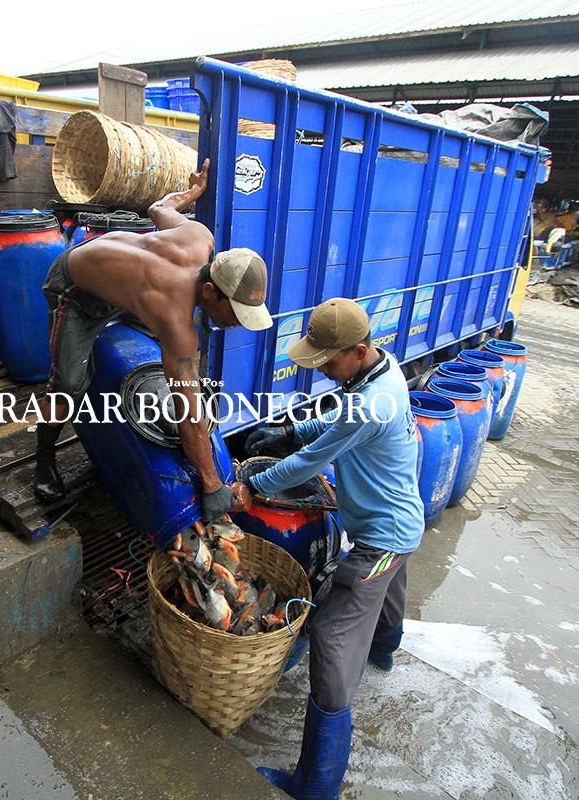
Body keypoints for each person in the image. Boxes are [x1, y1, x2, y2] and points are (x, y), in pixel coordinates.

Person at [234, 297, 424, 800]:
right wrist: (292, 427)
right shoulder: (383, 372)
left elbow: (310, 461)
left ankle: (317, 783)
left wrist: (256, 485)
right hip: (400, 520)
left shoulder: (370, 403)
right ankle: (384, 653)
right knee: (387, 597)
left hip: (383, 538)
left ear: (358, 350)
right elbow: (341, 419)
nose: (321, 367)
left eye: (328, 360)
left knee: (334, 637)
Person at [33, 158, 273, 525]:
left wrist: (192, 193)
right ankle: (44, 462)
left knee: (174, 369)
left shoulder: (200, 237)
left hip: (127, 291)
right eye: (236, 313)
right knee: (67, 384)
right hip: (77, 288)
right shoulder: (176, 321)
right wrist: (212, 486)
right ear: (210, 291)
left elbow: (159, 207)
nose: (238, 323)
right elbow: (190, 419)